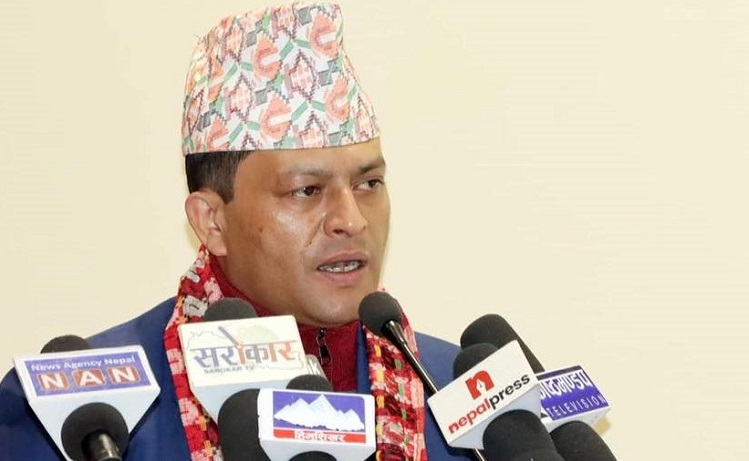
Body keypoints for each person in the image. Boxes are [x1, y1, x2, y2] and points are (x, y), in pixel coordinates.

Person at [0, 3, 471, 460]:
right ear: (212, 221)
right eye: (307, 190)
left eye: (369, 184)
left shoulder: (460, 399)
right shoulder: (84, 420)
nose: (352, 220)